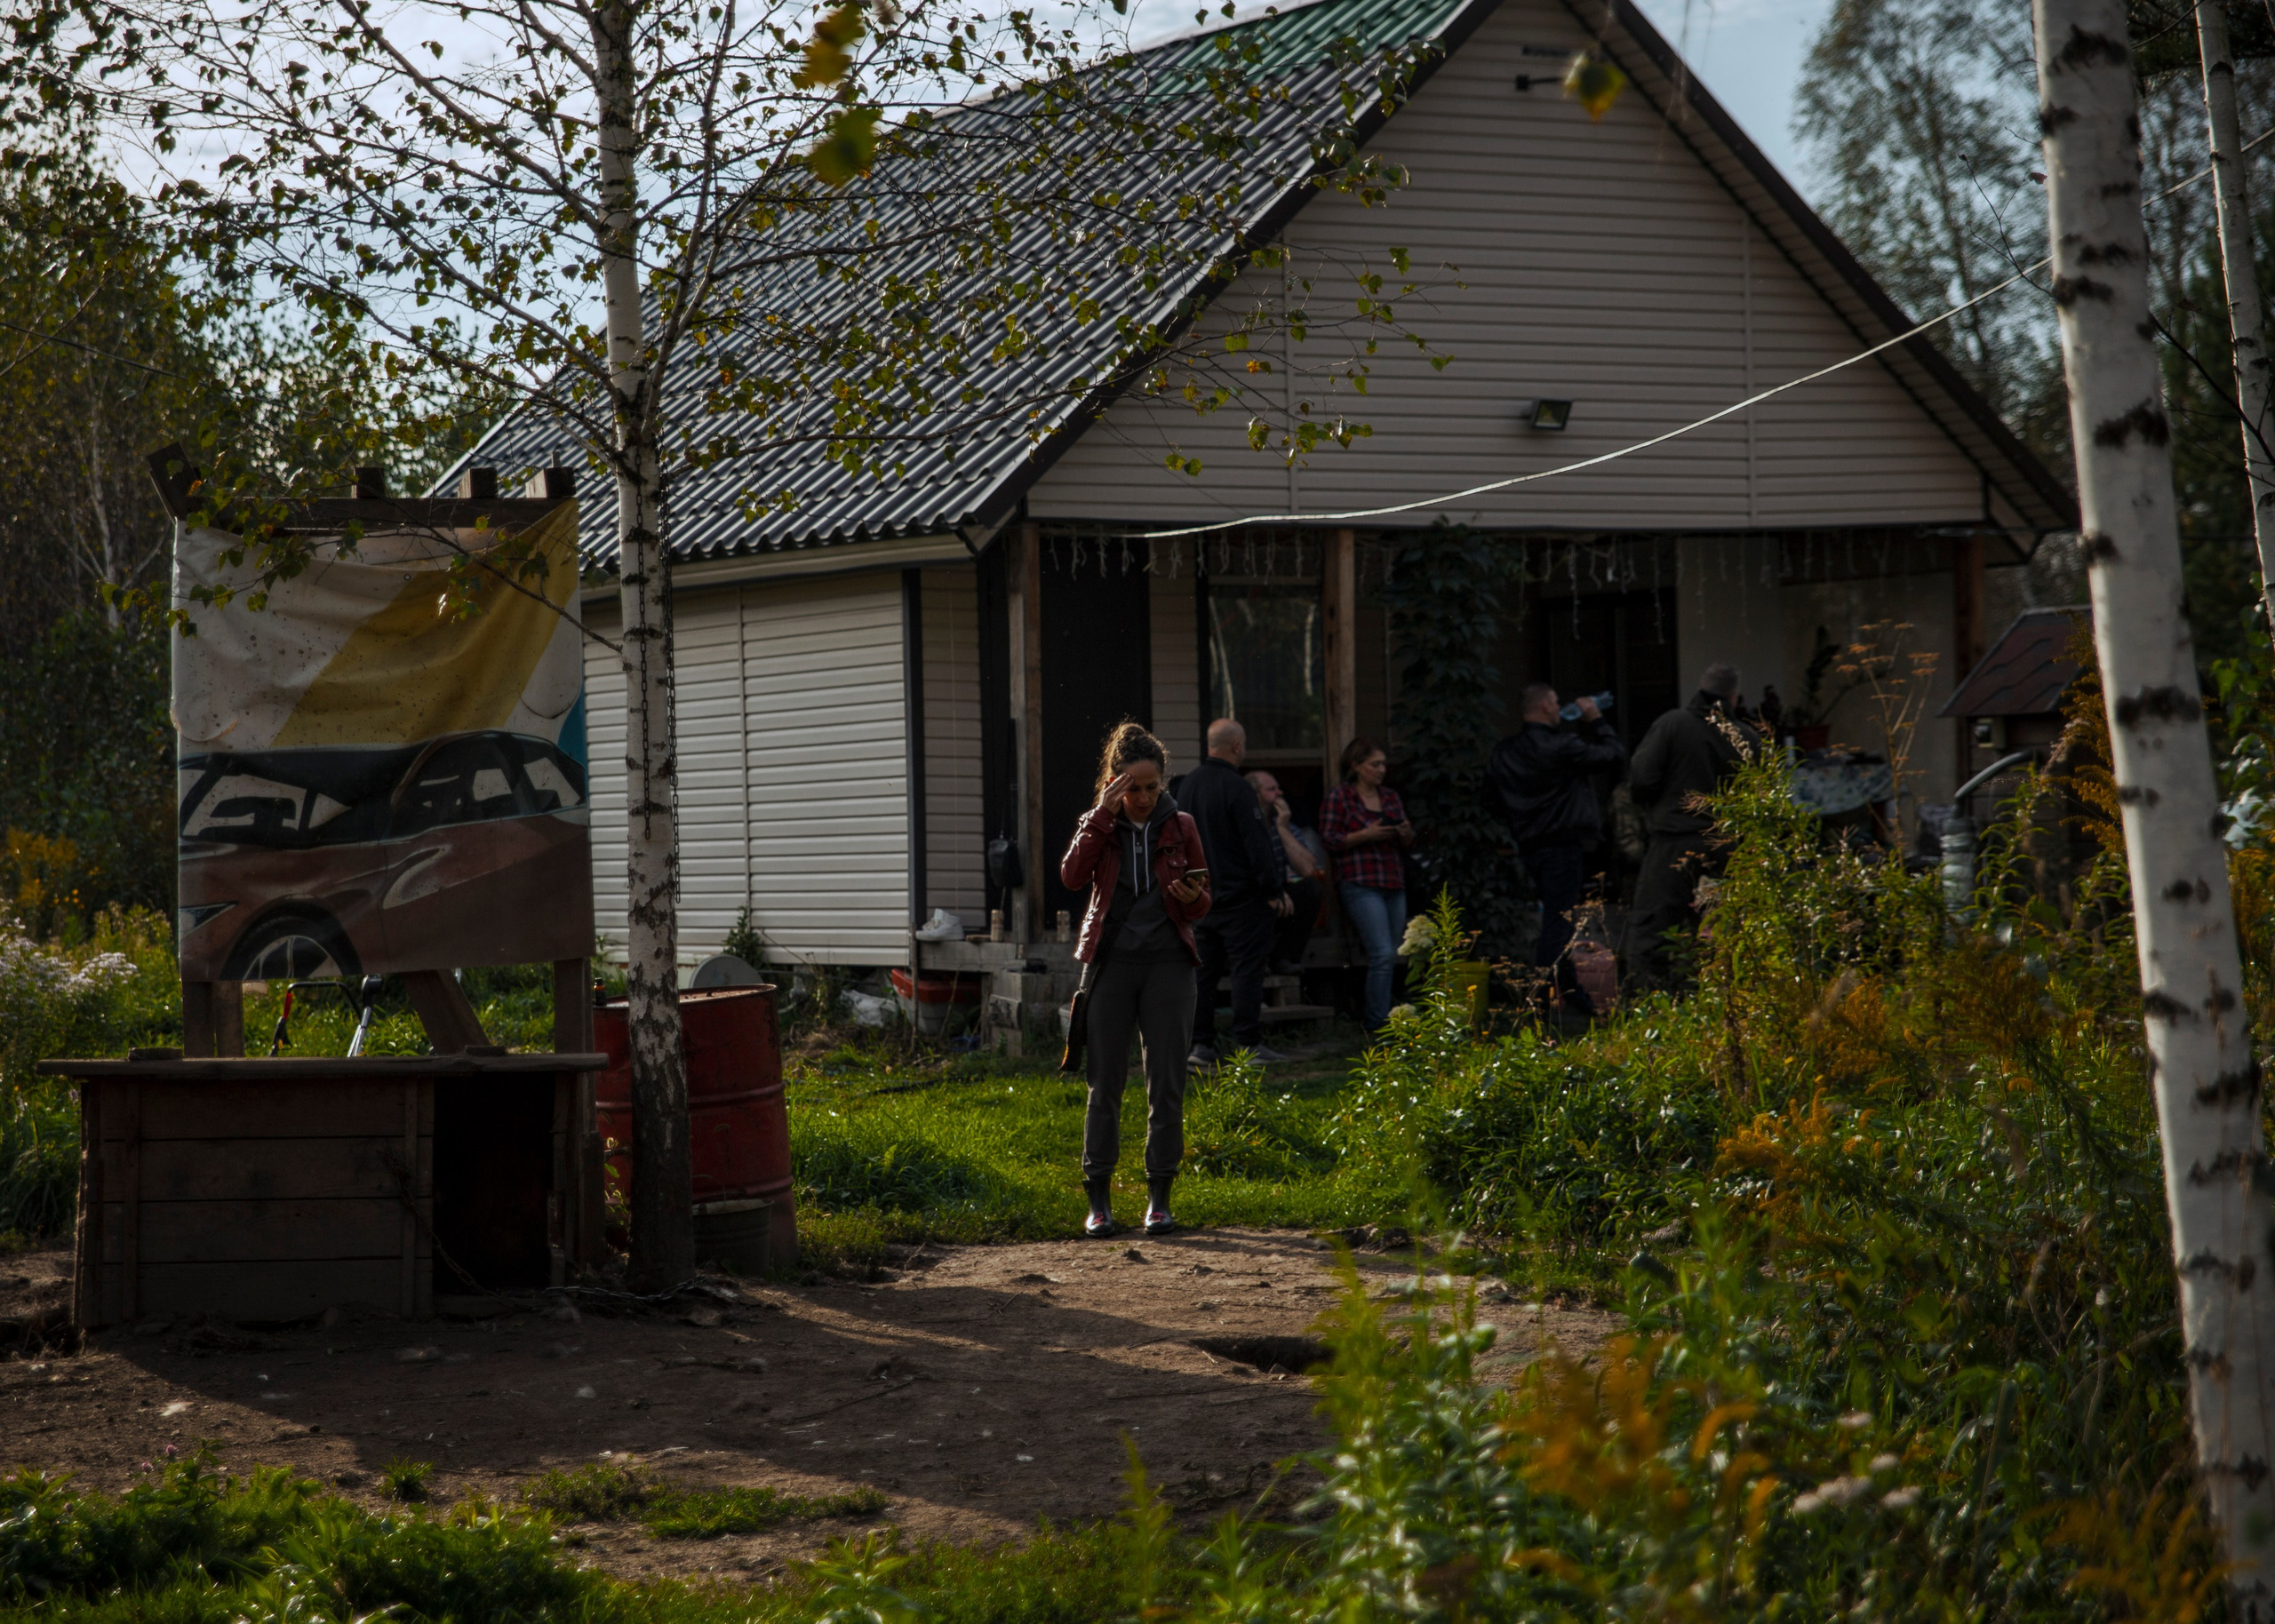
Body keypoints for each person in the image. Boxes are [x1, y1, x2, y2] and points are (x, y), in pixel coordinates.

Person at [1060, 721, 1213, 1238]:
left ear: (1163, 783)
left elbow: (1204, 896)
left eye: (1152, 787)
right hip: (1111, 965)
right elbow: (1071, 876)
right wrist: (1102, 816)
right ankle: (1099, 1202)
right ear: (1114, 782)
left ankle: (1159, 1200)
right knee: (1105, 1084)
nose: (1144, 797)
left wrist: (1195, 900)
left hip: (1170, 964)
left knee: (1166, 1085)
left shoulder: (1182, 824)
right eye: (1133, 787)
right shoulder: (1098, 824)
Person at [1489, 684, 1628, 1018]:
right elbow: (1614, 755)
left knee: (1558, 917)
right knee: (1559, 922)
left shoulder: (1505, 752)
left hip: (1529, 845)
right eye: (1554, 701)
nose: (1559, 706)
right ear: (1548, 708)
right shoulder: (1562, 746)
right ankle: (1538, 1001)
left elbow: (1490, 799)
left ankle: (1575, 997)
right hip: (1562, 844)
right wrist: (1595, 719)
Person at [1624, 663, 1760, 990]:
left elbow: (1641, 780)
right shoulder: (1748, 738)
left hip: (1673, 843)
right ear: (1733, 697)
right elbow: (1759, 800)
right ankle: (1724, 1001)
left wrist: (1658, 809)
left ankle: (1648, 1007)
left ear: (1699, 690)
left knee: (1653, 931)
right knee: (1726, 934)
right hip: (1727, 848)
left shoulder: (1673, 724)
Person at [1174, 719, 1290, 1067]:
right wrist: (1273, 888)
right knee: (1246, 971)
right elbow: (1256, 844)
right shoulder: (1237, 788)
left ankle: (1201, 1045)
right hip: (1241, 899)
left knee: (1203, 974)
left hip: (1201, 897)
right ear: (1236, 746)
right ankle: (1248, 1044)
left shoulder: (1187, 786)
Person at [1320, 736, 1414, 1031]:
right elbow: (1329, 839)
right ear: (1356, 766)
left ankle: (1387, 1016)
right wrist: (1366, 835)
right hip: (1360, 881)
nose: (1382, 770)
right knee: (1382, 953)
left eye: (1384, 764)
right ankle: (1377, 1023)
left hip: (1392, 879)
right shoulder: (1341, 797)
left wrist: (1405, 832)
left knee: (1394, 952)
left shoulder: (1389, 797)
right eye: (1375, 764)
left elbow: (1408, 844)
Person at [1246, 769, 1326, 975]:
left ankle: (1284, 958)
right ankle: (1256, 960)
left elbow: (1308, 868)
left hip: (1277, 893)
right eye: (1271, 789)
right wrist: (1272, 891)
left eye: (1278, 788)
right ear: (1255, 796)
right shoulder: (1242, 825)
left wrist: (1282, 828)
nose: (1279, 793)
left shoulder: (1281, 824)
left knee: (1310, 889)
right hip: (1249, 895)